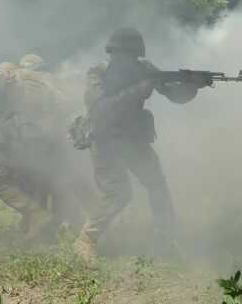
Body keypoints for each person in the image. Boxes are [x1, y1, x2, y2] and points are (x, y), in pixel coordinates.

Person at [73, 27, 207, 263]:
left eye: (130, 55)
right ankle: (86, 240)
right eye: (120, 54)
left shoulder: (146, 69)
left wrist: (193, 85)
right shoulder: (98, 73)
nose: (125, 59)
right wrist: (138, 90)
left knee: (157, 185)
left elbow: (175, 96)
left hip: (133, 138)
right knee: (118, 193)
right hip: (105, 138)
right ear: (112, 53)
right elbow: (99, 108)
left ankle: (165, 242)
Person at [0, 57, 66, 240]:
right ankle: (38, 226)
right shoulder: (49, 82)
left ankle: (38, 216)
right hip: (45, 141)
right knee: (39, 183)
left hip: (21, 141)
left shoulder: (13, 79)